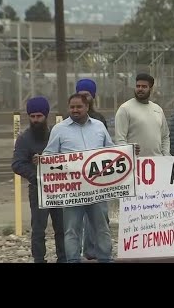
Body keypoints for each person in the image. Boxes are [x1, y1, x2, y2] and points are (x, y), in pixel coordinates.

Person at [41, 93, 115, 263]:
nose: (75, 110)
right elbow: (49, 154)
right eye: (72, 107)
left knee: (101, 228)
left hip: (97, 189)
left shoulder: (99, 127)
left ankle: (105, 258)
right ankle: (73, 260)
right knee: (71, 230)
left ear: (87, 107)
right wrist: (42, 159)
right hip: (73, 191)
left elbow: (111, 151)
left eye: (79, 107)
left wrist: (129, 153)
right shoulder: (59, 129)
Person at [11, 96, 66, 263]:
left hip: (60, 188)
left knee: (62, 228)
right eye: (32, 116)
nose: (35, 120)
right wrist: (38, 175)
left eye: (39, 116)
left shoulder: (56, 134)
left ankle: (63, 258)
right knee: (38, 229)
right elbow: (17, 164)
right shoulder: (24, 139)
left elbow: (68, 158)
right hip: (38, 190)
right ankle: (39, 259)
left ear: (46, 115)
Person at [75, 78, 110, 261]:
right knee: (77, 219)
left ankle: (97, 251)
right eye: (81, 95)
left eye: (86, 95)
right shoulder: (69, 121)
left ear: (92, 97)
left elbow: (108, 148)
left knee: (99, 217)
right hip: (77, 179)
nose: (84, 99)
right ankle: (84, 251)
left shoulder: (100, 120)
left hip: (98, 177)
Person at [115, 73, 170, 156]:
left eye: (144, 87)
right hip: (136, 164)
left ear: (151, 89)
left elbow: (165, 137)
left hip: (158, 163)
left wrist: (165, 156)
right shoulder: (125, 109)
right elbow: (120, 140)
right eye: (138, 86)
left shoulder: (158, 109)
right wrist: (129, 153)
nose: (140, 89)